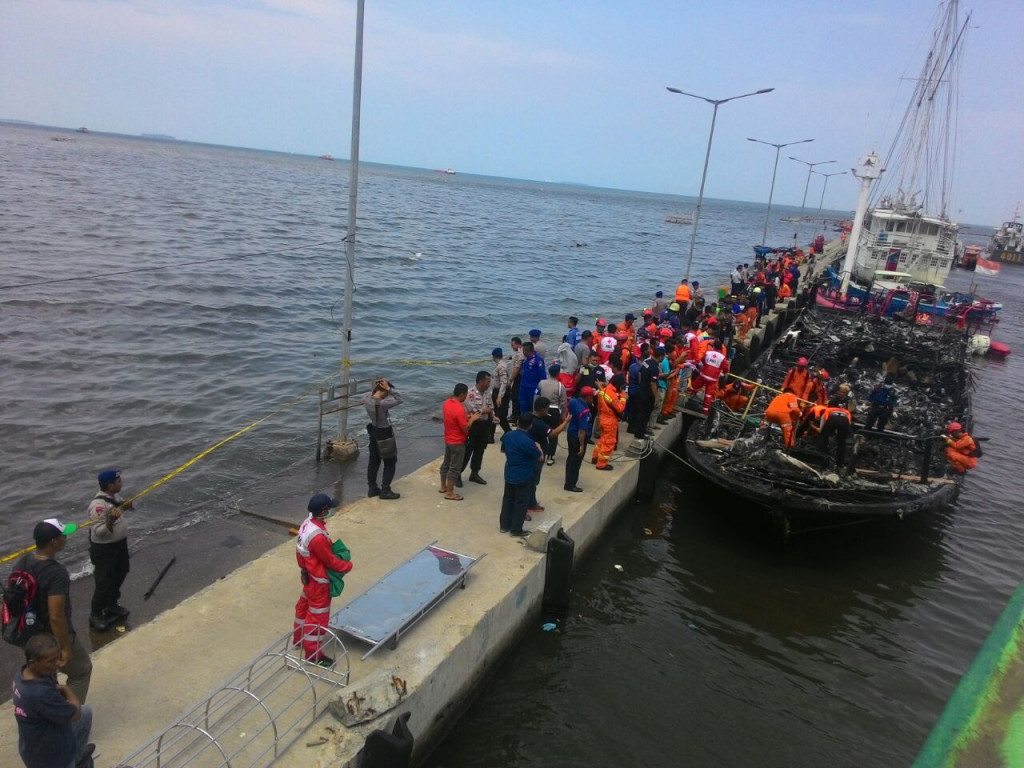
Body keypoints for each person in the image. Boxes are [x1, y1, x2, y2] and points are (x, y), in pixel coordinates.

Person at [10, 520, 92, 705]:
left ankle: (48, 708)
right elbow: (56, 615)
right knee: (81, 670)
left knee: (45, 674)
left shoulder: (22, 562)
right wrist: (65, 647)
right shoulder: (56, 573)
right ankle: (70, 717)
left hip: (28, 634)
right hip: (51, 636)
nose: (66, 538)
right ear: (53, 542)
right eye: (63, 535)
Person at [13, 632, 94, 768]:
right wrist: (66, 689)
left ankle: (78, 757)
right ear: (33, 663)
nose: (57, 664)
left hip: (32, 746)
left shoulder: (23, 674)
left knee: (86, 713)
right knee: (81, 713)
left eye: (58, 657)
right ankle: (75, 761)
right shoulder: (41, 694)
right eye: (51, 661)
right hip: (52, 757)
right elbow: (75, 714)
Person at [292, 494, 352, 666]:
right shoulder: (318, 537)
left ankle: (299, 639)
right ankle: (314, 655)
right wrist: (346, 566)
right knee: (317, 618)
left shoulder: (307, 524)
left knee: (303, 609)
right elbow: (330, 561)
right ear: (324, 511)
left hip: (309, 577)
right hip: (319, 581)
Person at [85, 469, 133, 631]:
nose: (121, 482)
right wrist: (111, 521)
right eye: (118, 481)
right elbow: (98, 532)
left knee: (121, 572)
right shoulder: (98, 506)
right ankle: (96, 614)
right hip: (104, 549)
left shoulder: (114, 498)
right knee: (103, 581)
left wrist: (127, 506)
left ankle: (111, 604)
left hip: (119, 545)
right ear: (110, 485)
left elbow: (121, 510)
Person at [499, 413, 543, 537]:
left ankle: (504, 525)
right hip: (524, 475)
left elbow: (503, 450)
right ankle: (516, 529)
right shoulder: (528, 442)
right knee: (521, 502)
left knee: (508, 499)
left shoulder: (508, 436)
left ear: (518, 422)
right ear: (530, 426)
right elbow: (540, 458)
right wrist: (539, 447)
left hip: (509, 473)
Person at [363, 378, 402, 500]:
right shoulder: (383, 404)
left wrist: (379, 387)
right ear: (384, 391)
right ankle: (385, 490)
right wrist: (389, 389)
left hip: (373, 430)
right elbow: (400, 399)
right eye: (386, 394)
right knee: (390, 462)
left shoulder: (366, 399)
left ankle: (372, 488)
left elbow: (372, 394)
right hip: (384, 433)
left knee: (374, 461)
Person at [441, 383, 479, 500]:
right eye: (466, 395)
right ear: (462, 394)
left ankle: (443, 486)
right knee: (455, 468)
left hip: (448, 438)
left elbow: (454, 419)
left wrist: (465, 418)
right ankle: (450, 492)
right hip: (457, 441)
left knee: (446, 463)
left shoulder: (447, 403)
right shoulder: (459, 409)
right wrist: (472, 419)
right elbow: (465, 428)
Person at [461, 371, 494, 485]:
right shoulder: (470, 394)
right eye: (488, 381)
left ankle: (474, 473)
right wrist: (485, 411)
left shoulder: (487, 393)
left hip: (484, 424)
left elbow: (491, 408)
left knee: (480, 450)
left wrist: (492, 417)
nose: (489, 384)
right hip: (473, 425)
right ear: (480, 381)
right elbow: (472, 410)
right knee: (467, 450)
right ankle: (457, 474)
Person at [564, 387, 595, 492]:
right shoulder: (584, 410)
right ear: (588, 397)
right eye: (592, 397)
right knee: (576, 462)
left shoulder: (573, 402)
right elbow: (582, 430)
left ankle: (568, 480)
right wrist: (582, 445)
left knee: (570, 458)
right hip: (578, 438)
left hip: (570, 434)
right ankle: (570, 484)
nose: (593, 399)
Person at [592, 373, 626, 470]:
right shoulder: (612, 395)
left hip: (602, 418)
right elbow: (620, 409)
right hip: (610, 421)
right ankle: (601, 464)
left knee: (603, 439)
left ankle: (595, 457)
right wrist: (623, 398)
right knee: (609, 442)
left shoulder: (603, 391)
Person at [536, 365, 568, 465]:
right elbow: (563, 403)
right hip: (554, 412)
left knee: (540, 432)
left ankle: (539, 452)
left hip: (542, 409)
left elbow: (536, 395)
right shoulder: (560, 386)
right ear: (558, 373)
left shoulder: (541, 383)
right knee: (553, 434)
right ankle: (550, 456)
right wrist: (563, 416)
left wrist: (535, 410)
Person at [688, 338, 729, 414]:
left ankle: (687, 398)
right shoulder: (722, 358)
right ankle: (705, 411)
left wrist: (706, 367)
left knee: (694, 386)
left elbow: (703, 360)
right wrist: (722, 373)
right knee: (708, 394)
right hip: (713, 378)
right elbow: (726, 368)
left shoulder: (708, 352)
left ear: (713, 346)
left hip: (703, 374)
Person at [819, 401, 853, 468]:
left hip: (832, 419)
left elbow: (825, 419)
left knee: (823, 437)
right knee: (842, 443)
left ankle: (820, 455)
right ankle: (840, 462)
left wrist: (823, 431)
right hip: (844, 421)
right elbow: (849, 422)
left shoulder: (828, 409)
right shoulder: (847, 411)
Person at [517, 341, 546, 418]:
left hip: (533, 388)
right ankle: (523, 422)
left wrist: (540, 389)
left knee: (533, 407)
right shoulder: (526, 359)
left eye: (523, 350)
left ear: (526, 350)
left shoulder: (538, 360)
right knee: (522, 405)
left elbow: (542, 376)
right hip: (523, 387)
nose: (522, 352)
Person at [491, 347, 512, 435]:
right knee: (494, 413)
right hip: (497, 390)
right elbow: (505, 358)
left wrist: (500, 396)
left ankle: (508, 431)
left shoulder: (501, 367)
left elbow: (504, 382)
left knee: (500, 415)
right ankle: (490, 435)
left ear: (493, 356)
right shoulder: (502, 362)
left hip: (502, 392)